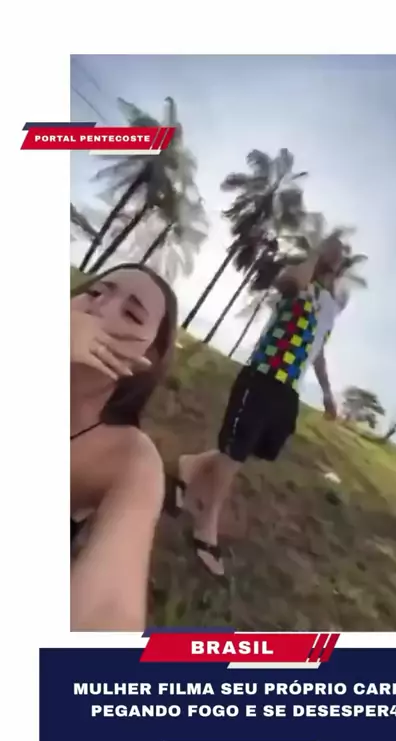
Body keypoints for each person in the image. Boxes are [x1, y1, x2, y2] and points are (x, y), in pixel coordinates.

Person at [167, 234, 352, 577]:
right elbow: (288, 282)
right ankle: (206, 524)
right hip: (264, 374)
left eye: (341, 256)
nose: (338, 256)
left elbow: (317, 353)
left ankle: (190, 465)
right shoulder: (299, 282)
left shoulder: (329, 308)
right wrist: (316, 251)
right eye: (334, 250)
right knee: (236, 451)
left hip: (289, 390)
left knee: (254, 448)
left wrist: (327, 393)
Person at [70, 263, 178, 631]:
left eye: (132, 314)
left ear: (149, 361)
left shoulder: (131, 460)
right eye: (94, 292)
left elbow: (109, 611)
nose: (99, 308)